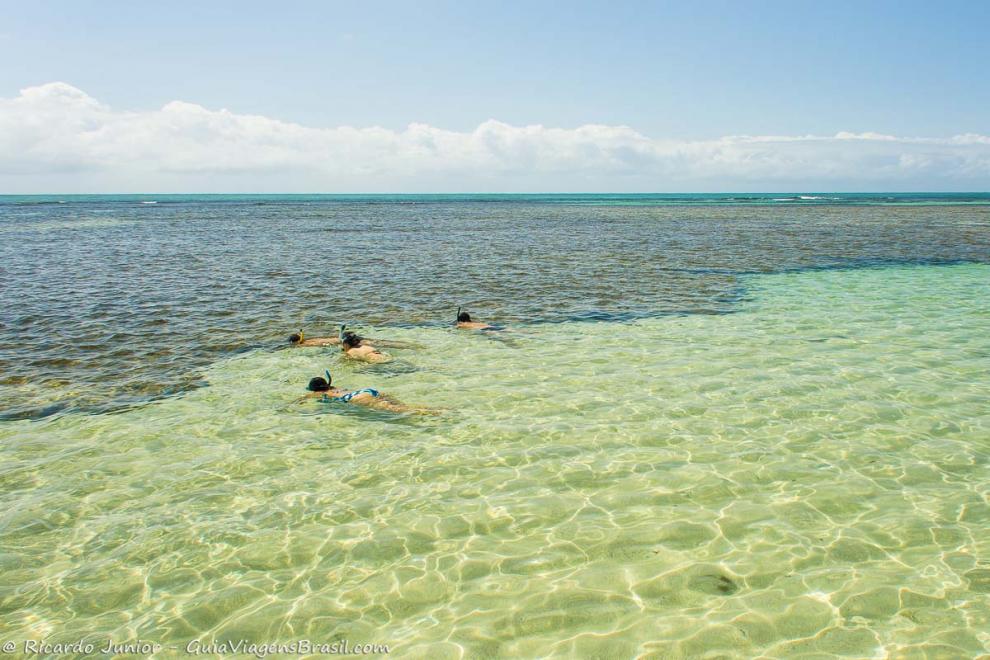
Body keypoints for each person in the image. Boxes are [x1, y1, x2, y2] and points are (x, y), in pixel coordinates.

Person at [304, 371, 432, 414]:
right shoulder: (334, 388)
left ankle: (436, 412)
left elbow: (302, 400)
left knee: (401, 410)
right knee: (402, 406)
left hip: (358, 397)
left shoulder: (318, 393)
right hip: (366, 391)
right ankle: (435, 409)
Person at [288, 327, 420, 349]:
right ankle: (406, 344)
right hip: (349, 338)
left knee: (380, 344)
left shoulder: (305, 344)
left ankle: (406, 345)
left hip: (348, 341)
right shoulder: (313, 339)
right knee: (380, 343)